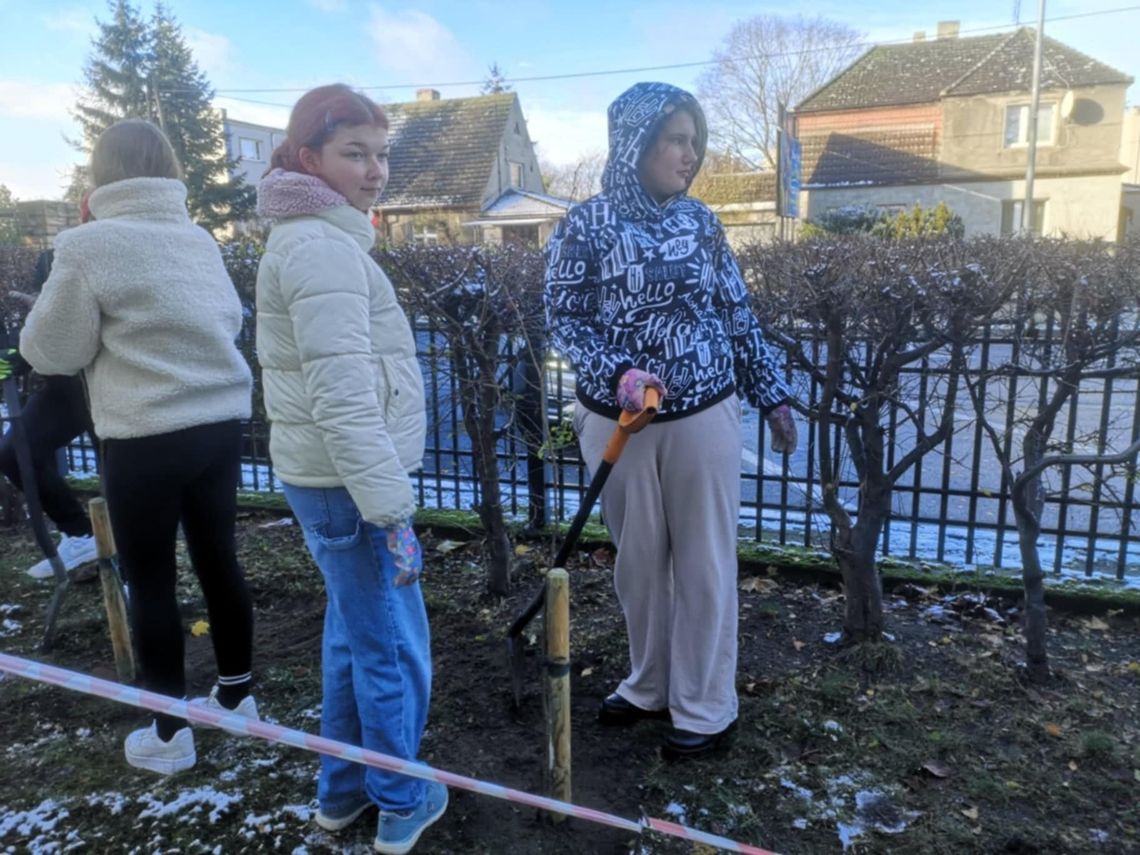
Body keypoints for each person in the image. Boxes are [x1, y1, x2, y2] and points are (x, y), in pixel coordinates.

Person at [543, 82, 799, 761]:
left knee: (705, 562)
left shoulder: (702, 223)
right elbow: (566, 318)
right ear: (637, 141)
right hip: (618, 419)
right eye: (677, 139)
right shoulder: (585, 224)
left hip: (703, 414)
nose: (691, 154)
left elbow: (737, 313)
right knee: (639, 564)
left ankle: (708, 704)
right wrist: (620, 373)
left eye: (695, 140)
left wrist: (771, 393)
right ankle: (650, 684)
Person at [19, 118, 257, 774]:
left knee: (150, 579)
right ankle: (238, 698)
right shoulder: (198, 239)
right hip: (218, 422)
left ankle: (168, 732)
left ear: (102, 174)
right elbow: (229, 320)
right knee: (219, 559)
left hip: (143, 435)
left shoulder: (87, 243)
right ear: (169, 170)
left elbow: (52, 350)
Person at [254, 84, 446, 854]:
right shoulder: (320, 247)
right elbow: (342, 398)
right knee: (392, 647)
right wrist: (390, 506)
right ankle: (401, 799)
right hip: (351, 487)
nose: (376, 169)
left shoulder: (314, 237)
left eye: (382, 152)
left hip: (329, 482)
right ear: (310, 159)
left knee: (349, 637)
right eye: (354, 153)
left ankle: (340, 793)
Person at [1, 247, 99, 579]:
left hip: (109, 388)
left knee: (122, 477)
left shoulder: (106, 266)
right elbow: (46, 331)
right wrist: (18, 354)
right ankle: (80, 535)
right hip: (66, 390)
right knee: (16, 451)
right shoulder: (58, 261)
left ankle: (134, 572)